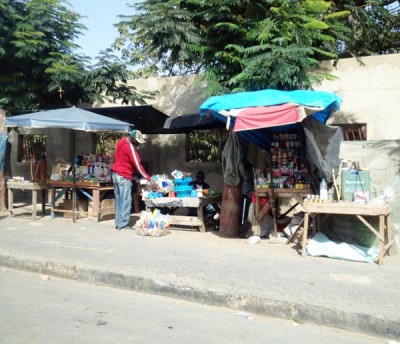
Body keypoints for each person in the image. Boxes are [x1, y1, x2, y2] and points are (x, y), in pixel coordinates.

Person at [111, 129, 154, 230]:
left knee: (119, 200)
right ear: (133, 139)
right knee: (126, 200)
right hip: (124, 176)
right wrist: (149, 179)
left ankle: (118, 222)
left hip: (115, 174)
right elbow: (138, 165)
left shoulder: (122, 141)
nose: (138, 143)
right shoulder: (130, 147)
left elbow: (117, 155)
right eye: (137, 141)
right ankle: (123, 224)